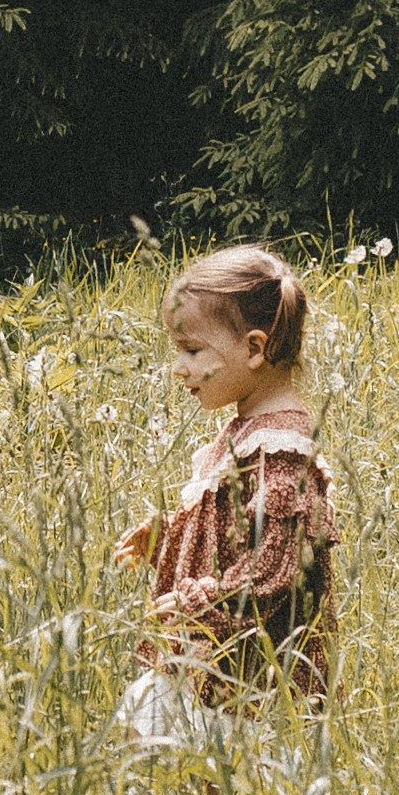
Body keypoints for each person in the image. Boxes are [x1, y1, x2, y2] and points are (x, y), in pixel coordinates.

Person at [114, 241, 337, 751]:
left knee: (216, 771)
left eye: (192, 351)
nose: (178, 368)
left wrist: (195, 603)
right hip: (216, 664)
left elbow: (273, 568)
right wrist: (172, 537)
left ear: (255, 349)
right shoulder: (249, 431)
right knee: (149, 740)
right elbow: (236, 531)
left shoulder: (282, 450)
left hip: (249, 678)